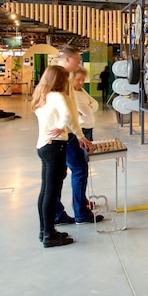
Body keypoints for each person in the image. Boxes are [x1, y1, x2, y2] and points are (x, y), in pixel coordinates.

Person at [31, 65, 77, 248]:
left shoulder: (42, 97)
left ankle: (45, 230)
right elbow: (67, 115)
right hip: (55, 146)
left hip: (43, 146)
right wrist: (60, 127)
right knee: (52, 192)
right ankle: (49, 234)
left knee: (45, 192)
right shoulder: (57, 96)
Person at [51, 45, 97, 226]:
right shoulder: (62, 80)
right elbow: (69, 112)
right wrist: (75, 133)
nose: (79, 62)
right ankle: (78, 213)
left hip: (67, 134)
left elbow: (89, 107)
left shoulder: (65, 81)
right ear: (68, 59)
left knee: (63, 173)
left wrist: (78, 134)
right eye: (78, 59)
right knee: (77, 170)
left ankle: (66, 213)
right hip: (63, 135)